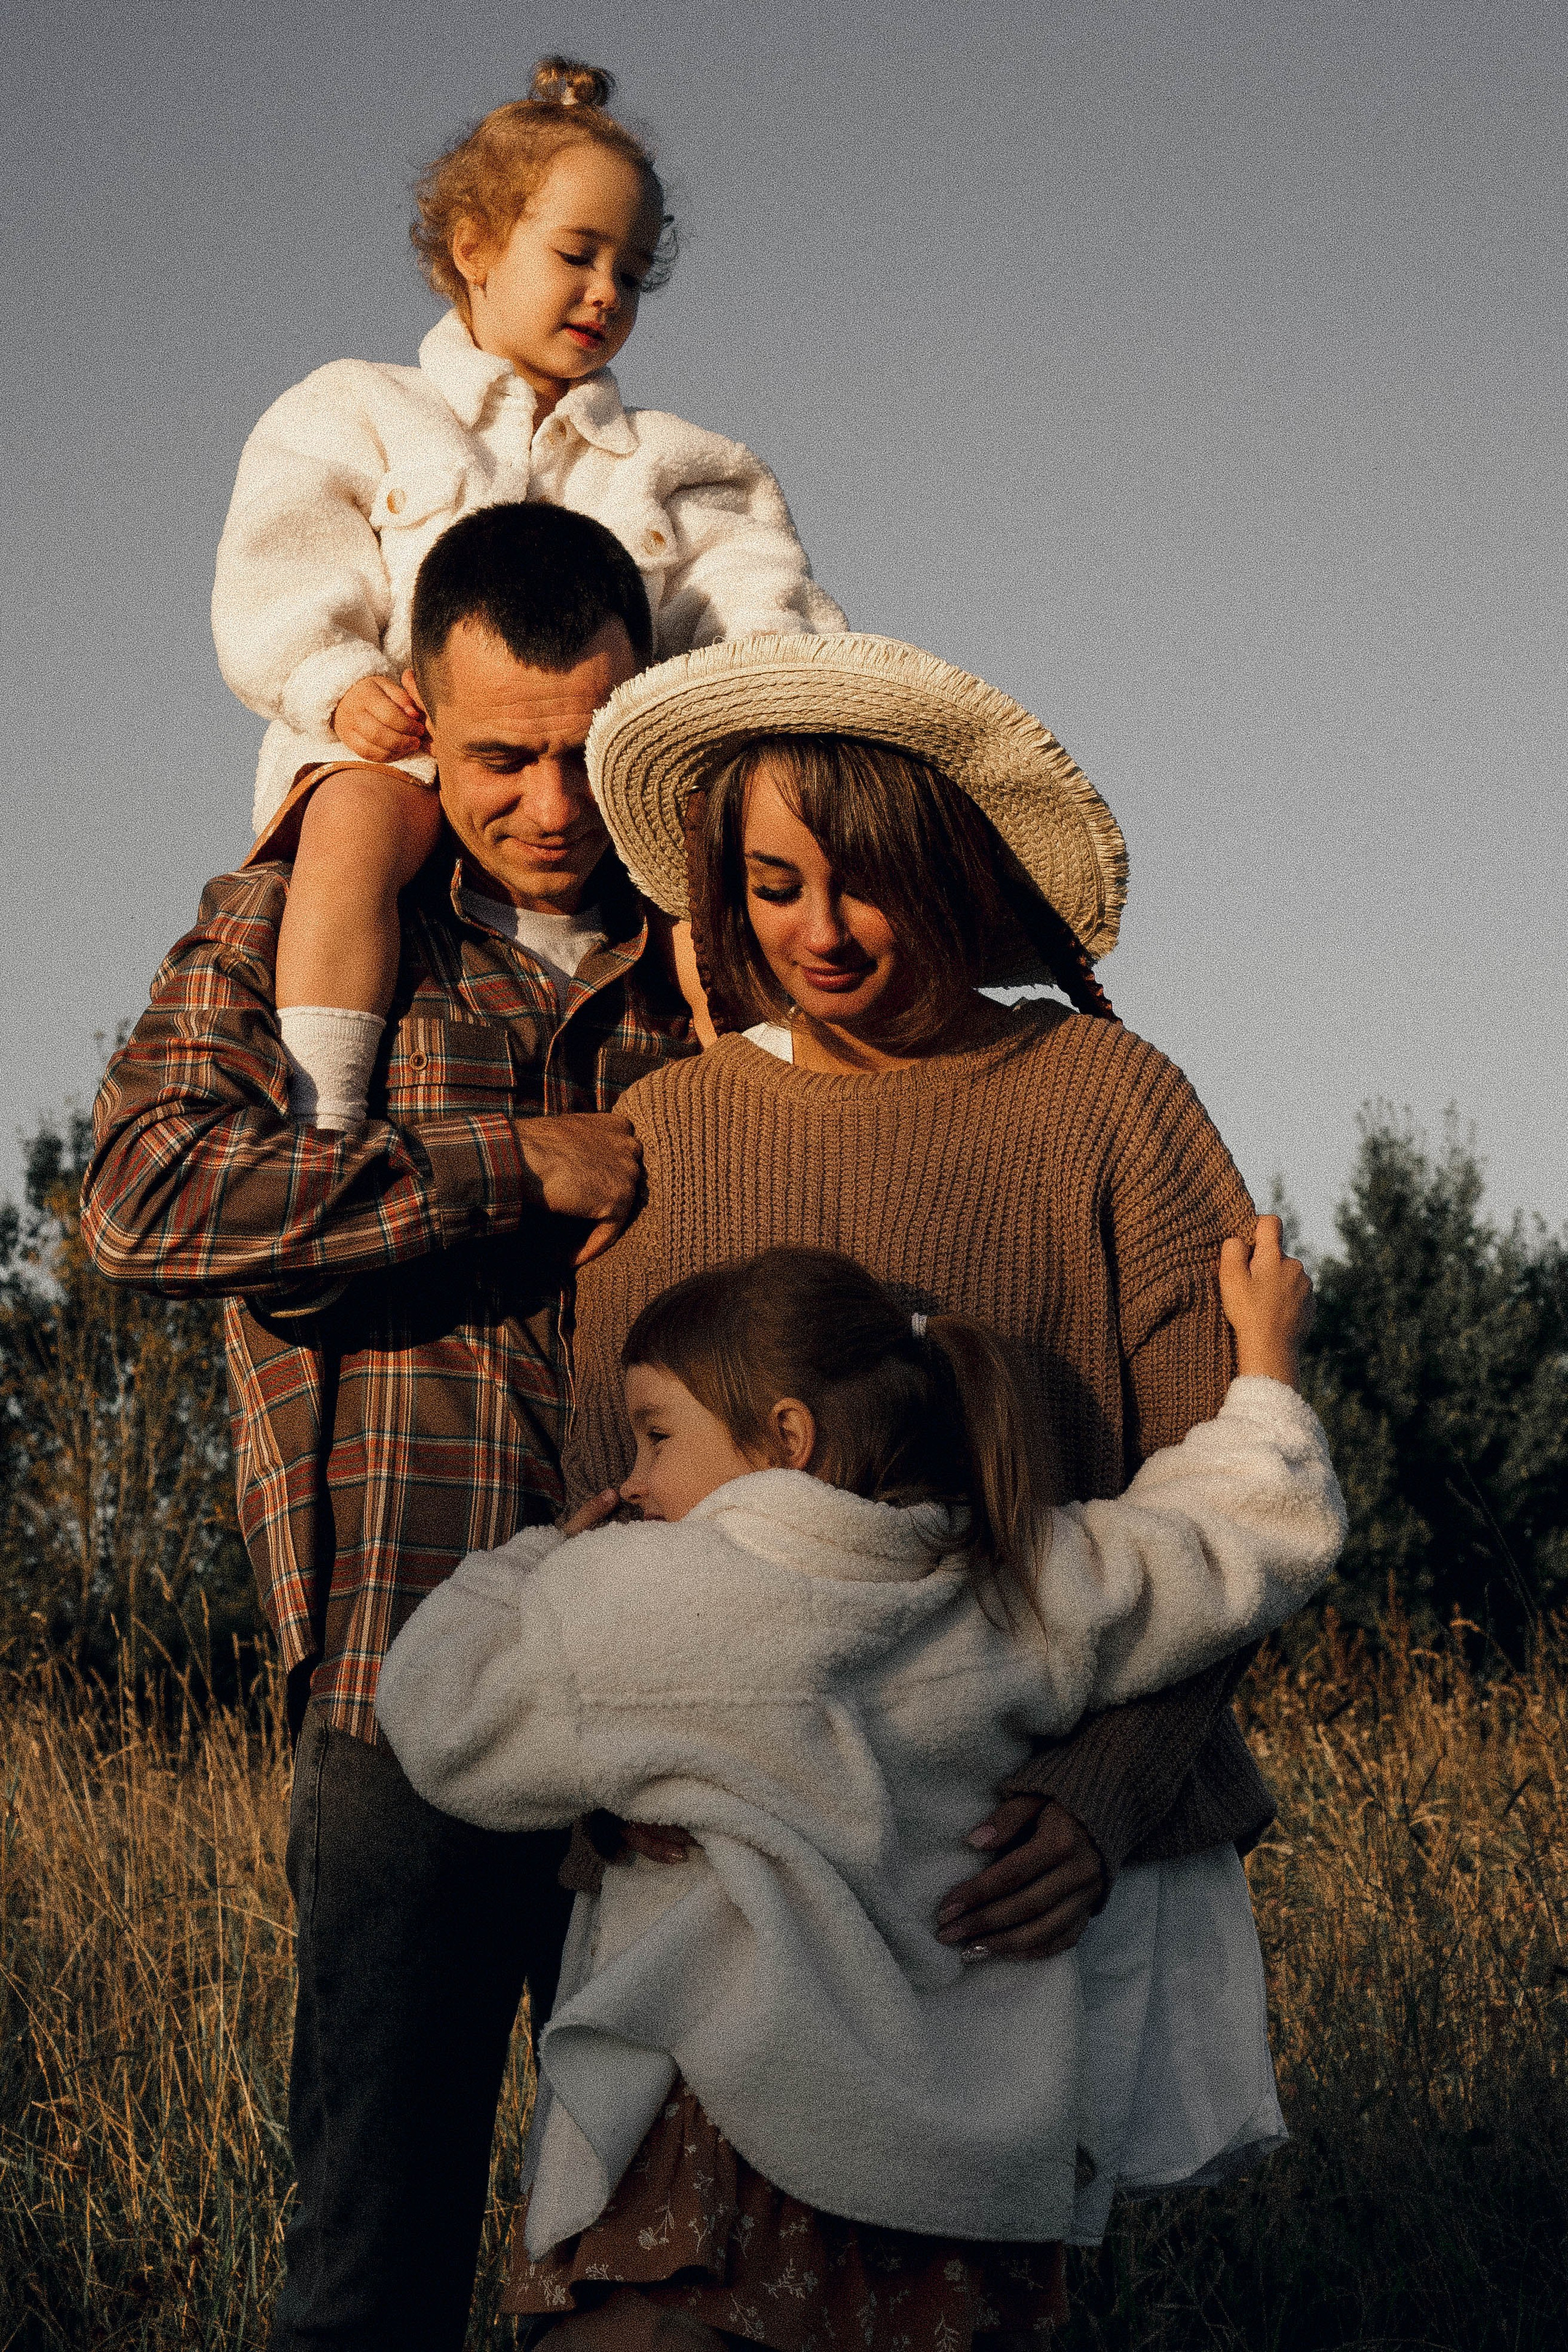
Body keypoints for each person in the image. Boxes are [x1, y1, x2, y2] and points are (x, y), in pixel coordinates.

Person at [547, 630, 1295, 2300]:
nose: (818, 931)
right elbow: (605, 1500)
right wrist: (623, 1778)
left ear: (950, 867)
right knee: (653, 2297)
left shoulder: (1110, 1101)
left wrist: (1105, 1802)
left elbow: (1230, 1507)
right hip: (729, 1858)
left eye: (862, 882)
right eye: (774, 883)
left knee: (935, 2304)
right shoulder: (679, 1130)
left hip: (999, 1862)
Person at [80, 502, 696, 2352]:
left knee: (682, 2265)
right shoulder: (309, 925)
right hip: (402, 1691)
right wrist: (509, 1165)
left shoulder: (710, 964)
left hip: (689, 1713)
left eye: (593, 750)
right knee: (373, 2269)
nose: (552, 802)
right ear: (415, 717)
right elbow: (140, 1197)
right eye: (500, 754)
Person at [375, 1232, 1342, 2352]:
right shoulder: (1019, 1581)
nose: (632, 1480)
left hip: (722, 2128)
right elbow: (1226, 1541)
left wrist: (537, 1556)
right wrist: (1267, 1360)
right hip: (945, 2174)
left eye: (654, 1435)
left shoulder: (648, 1593)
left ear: (786, 1437)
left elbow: (436, 1714)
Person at [211, 55, 844, 1136]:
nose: (607, 291)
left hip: (603, 787)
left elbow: (747, 595)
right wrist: (332, 679)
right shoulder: (359, 411)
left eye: (634, 272)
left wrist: (755, 693)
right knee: (356, 816)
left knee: (711, 854)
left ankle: (768, 1105)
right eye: (578, 255)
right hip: (404, 746)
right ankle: (326, 1104)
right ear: (475, 250)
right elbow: (280, 566)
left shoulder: (674, 464)